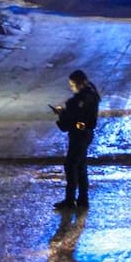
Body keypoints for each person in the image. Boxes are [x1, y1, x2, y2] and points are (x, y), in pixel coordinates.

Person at [50, 69, 100, 211]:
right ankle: (82, 199)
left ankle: (70, 200)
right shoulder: (90, 94)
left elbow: (78, 118)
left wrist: (63, 114)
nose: (72, 88)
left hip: (80, 135)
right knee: (80, 166)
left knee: (71, 165)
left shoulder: (82, 99)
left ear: (79, 83)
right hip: (84, 134)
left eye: (73, 85)